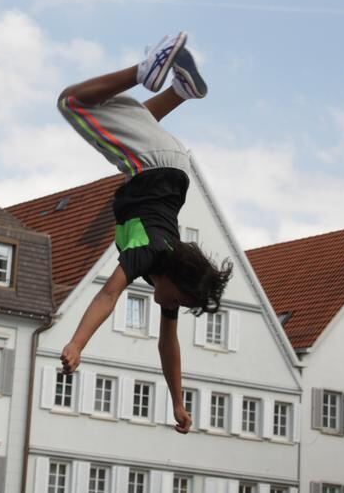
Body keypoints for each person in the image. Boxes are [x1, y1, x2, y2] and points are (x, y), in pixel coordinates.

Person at [56, 31, 233, 435]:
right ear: (174, 280)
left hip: (173, 165)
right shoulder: (147, 251)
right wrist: (77, 344)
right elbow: (108, 294)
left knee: (133, 118)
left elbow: (168, 346)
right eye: (178, 300)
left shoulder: (168, 266)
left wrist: (178, 401)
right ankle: (143, 70)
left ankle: (180, 90)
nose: (171, 307)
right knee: (72, 102)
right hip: (149, 164)